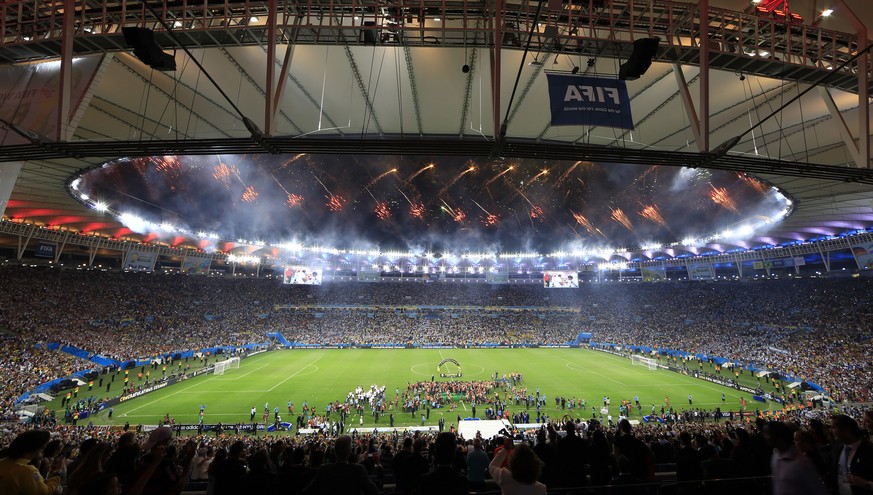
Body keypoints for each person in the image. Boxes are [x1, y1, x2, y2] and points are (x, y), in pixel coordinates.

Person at [766, 420, 827, 495]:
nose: (766, 437)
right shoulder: (775, 457)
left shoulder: (801, 462)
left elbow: (818, 489)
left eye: (768, 434)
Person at [303, 435, 379, 495]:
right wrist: (378, 464)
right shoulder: (358, 470)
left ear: (335, 452)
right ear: (350, 453)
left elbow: (307, 491)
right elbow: (374, 491)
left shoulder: (324, 469)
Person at [0, 430, 63, 495]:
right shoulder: (28, 471)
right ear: (37, 450)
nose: (42, 455)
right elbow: (46, 492)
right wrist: (57, 474)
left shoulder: (2, 462)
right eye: (42, 449)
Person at [831, 414, 873, 494]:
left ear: (846, 430)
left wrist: (866, 484)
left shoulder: (868, 451)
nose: (831, 431)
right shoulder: (836, 449)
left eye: (834, 428)